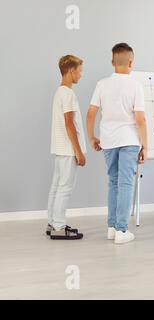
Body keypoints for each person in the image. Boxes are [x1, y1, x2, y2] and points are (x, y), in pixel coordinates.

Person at [86, 43, 147, 245]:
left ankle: (112, 227)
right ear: (131, 62)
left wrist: (92, 137)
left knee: (113, 182)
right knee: (126, 183)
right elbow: (140, 120)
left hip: (108, 140)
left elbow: (91, 113)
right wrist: (145, 145)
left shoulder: (102, 84)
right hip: (129, 140)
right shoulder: (136, 85)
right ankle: (122, 230)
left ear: (113, 62)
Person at [47, 55, 86, 240]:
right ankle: (59, 227)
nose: (81, 75)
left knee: (56, 186)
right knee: (65, 187)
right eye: (80, 70)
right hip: (68, 149)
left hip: (59, 147)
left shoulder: (59, 92)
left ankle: (53, 222)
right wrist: (78, 151)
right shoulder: (68, 94)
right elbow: (69, 124)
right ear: (71, 70)